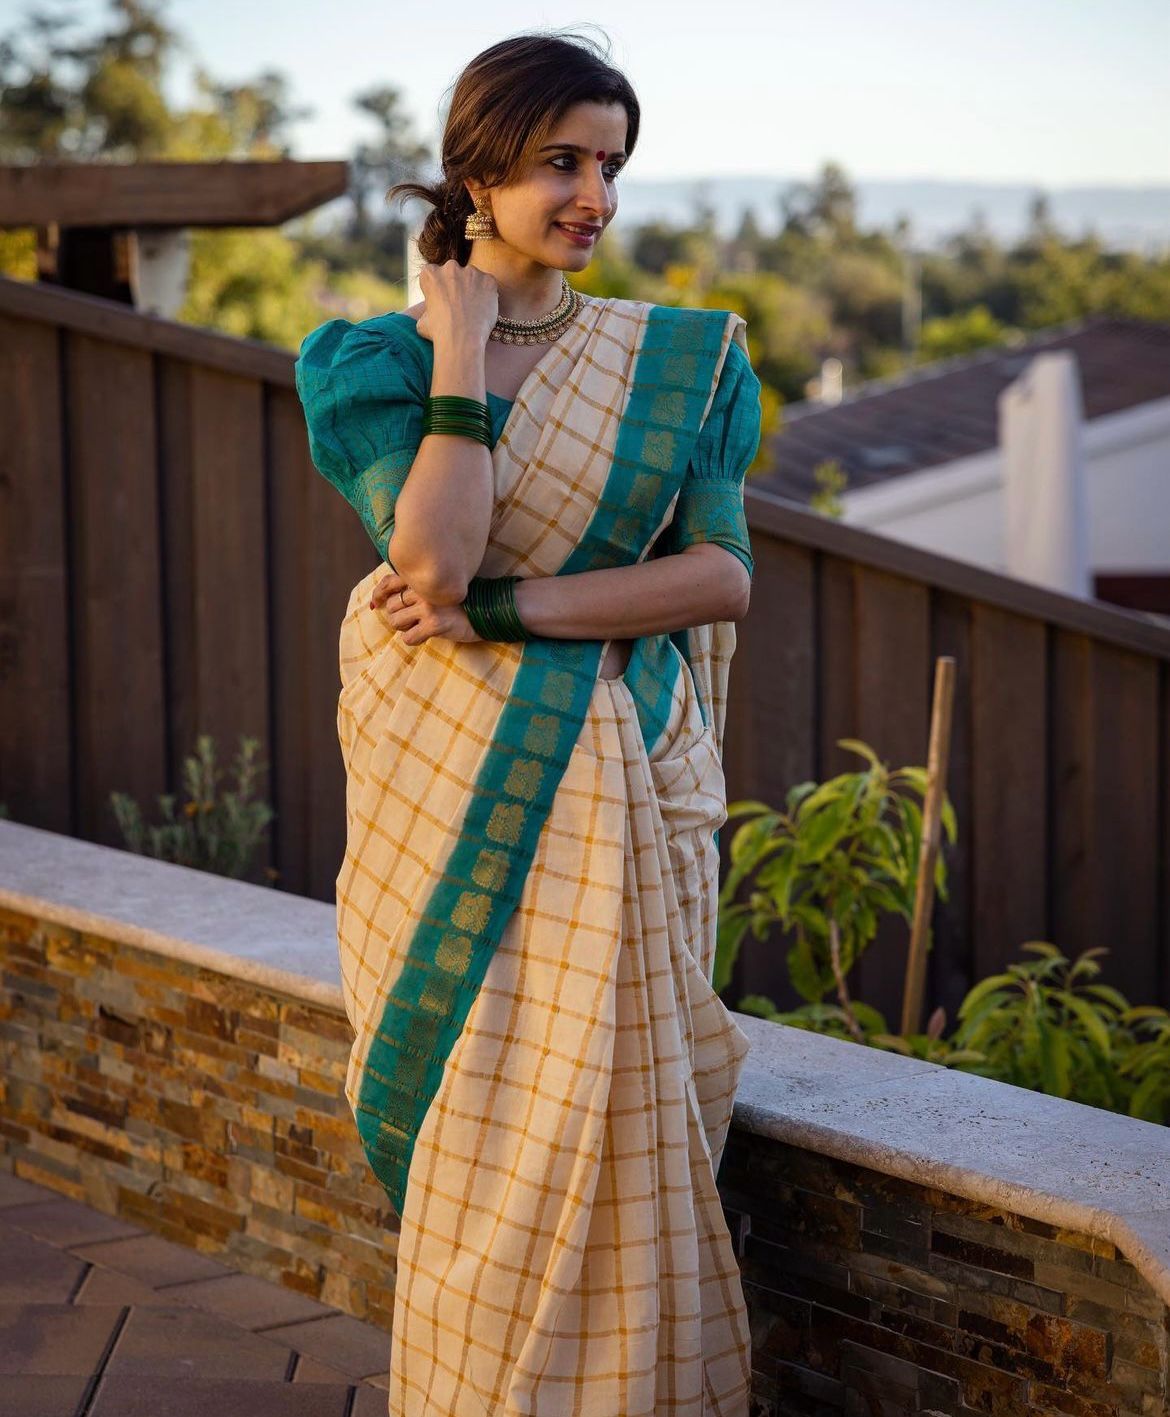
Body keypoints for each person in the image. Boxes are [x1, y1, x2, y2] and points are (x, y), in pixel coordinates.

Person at [295, 27, 761, 1417]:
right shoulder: (366, 360)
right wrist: (465, 350)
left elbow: (716, 576)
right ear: (476, 172)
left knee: (616, 1111)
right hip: (441, 781)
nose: (592, 198)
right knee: (478, 1124)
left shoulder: (685, 360)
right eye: (559, 161)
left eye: (608, 165)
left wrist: (506, 618)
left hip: (620, 772)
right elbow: (429, 561)